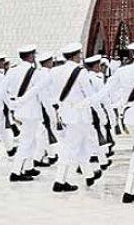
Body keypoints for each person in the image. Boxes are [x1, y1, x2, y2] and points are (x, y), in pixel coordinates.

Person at [84, 40, 134, 203]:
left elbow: (104, 92)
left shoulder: (122, 71)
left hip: (130, 117)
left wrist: (84, 103)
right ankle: (129, 192)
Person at [0, 45, 50, 182]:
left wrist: (4, 106)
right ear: (30, 56)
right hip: (31, 112)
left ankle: (28, 166)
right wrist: (49, 112)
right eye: (34, 55)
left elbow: (2, 91)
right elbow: (41, 95)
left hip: (19, 110)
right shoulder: (36, 73)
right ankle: (16, 171)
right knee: (26, 141)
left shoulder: (12, 71)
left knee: (31, 139)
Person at [49, 43, 100, 192]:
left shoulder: (55, 71)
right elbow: (90, 95)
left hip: (65, 115)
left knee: (82, 146)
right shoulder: (81, 72)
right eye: (79, 54)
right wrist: (101, 114)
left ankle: (89, 175)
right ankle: (59, 181)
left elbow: (49, 91)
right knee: (70, 148)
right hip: (80, 116)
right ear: (75, 55)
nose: (80, 57)